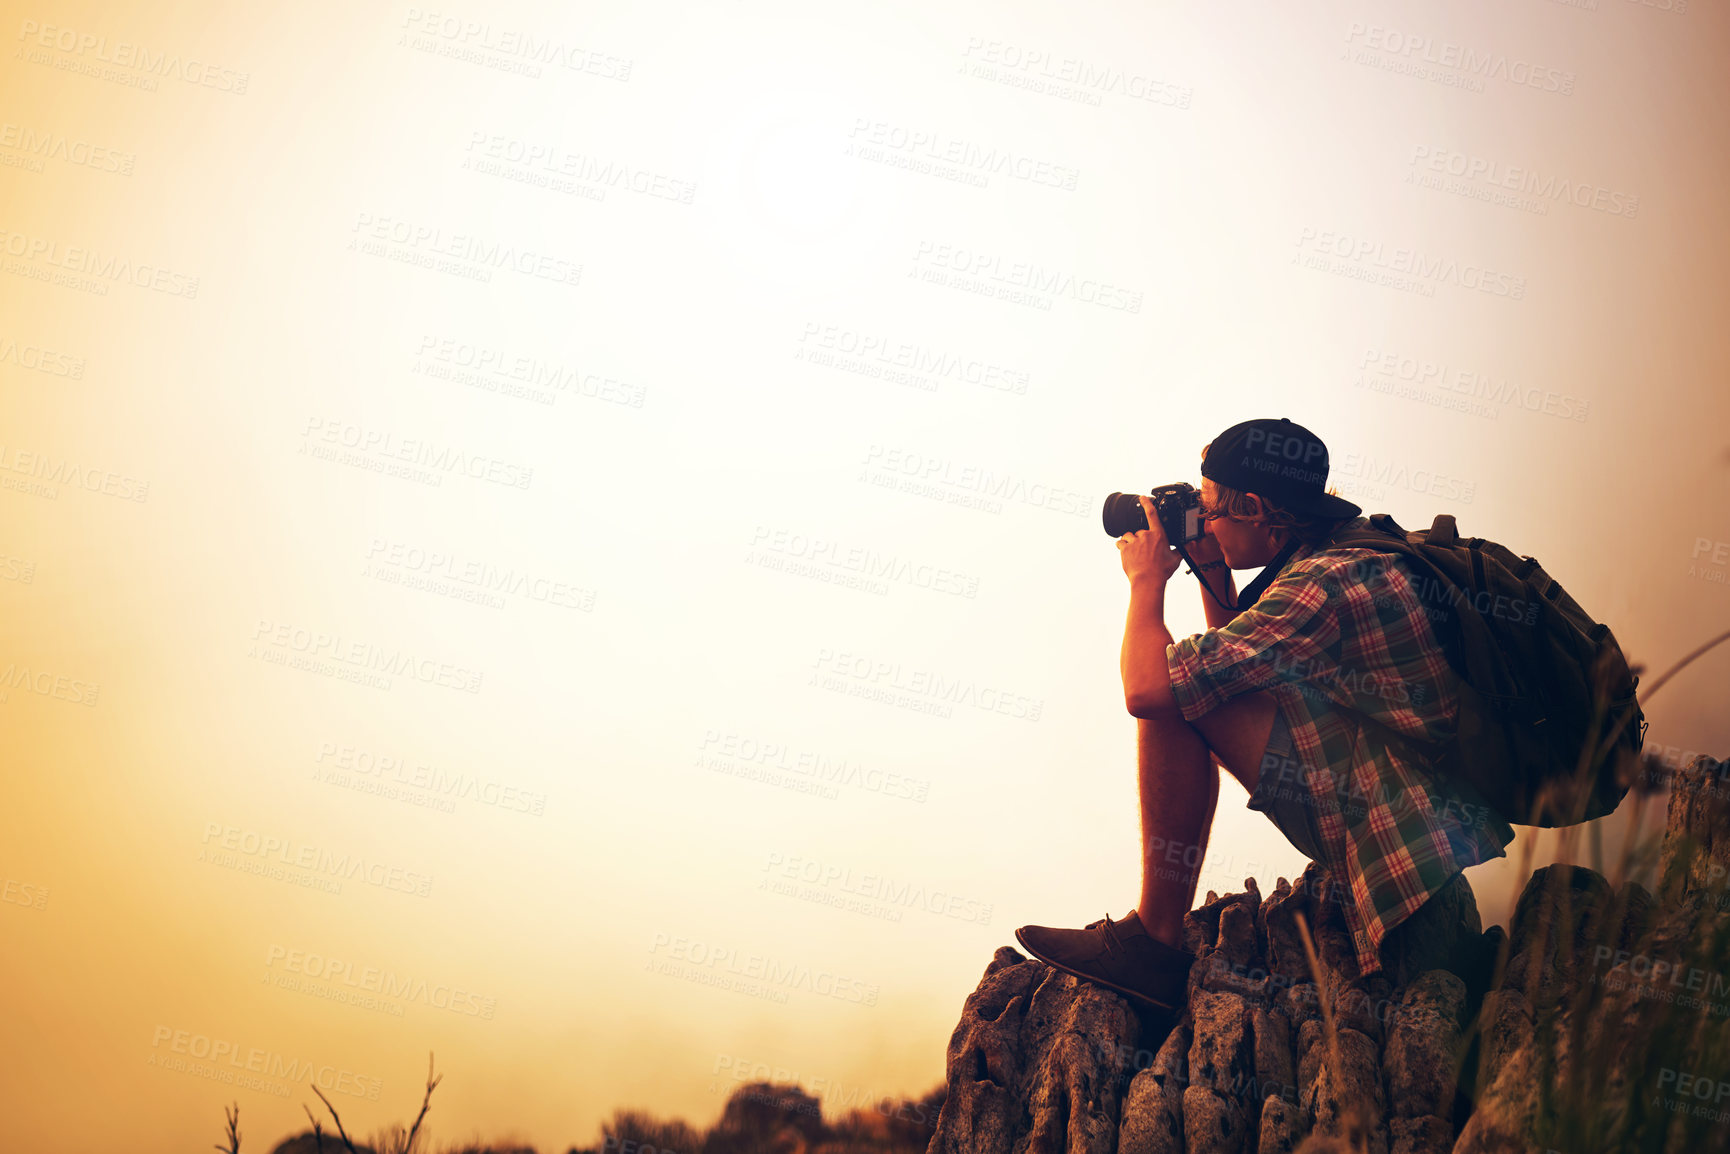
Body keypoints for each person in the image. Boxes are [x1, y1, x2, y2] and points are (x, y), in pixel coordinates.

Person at [1014, 417, 1514, 1012]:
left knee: (1173, 695)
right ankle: (1152, 938)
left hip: (1395, 865)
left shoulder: (1321, 586)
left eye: (1210, 510)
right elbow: (1238, 672)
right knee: (1194, 685)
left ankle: (1152, 939)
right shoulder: (1345, 547)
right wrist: (1213, 567)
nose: (1204, 522)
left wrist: (1146, 582)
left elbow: (1148, 691)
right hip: (1412, 828)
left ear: (1253, 507)